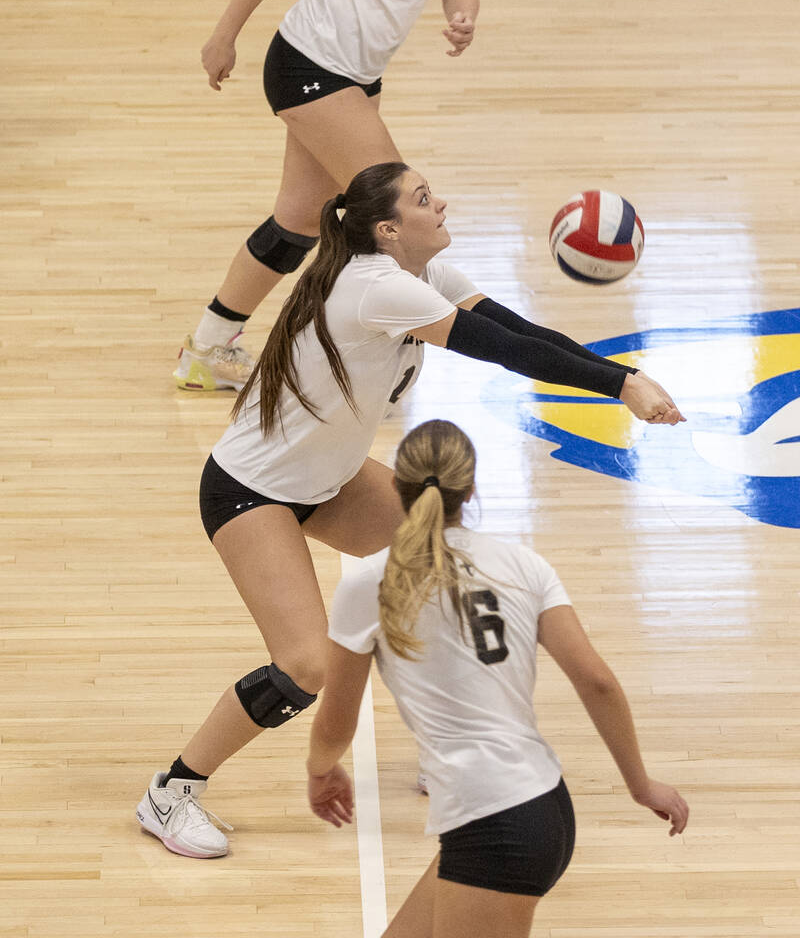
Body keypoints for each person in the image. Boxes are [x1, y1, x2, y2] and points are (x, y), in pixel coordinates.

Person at [138, 162, 684, 858]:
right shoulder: (377, 287)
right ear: (389, 229)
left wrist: (625, 378)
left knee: (444, 574)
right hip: (253, 489)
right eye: (425, 199)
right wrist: (621, 385)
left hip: (328, 479)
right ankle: (172, 791)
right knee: (306, 666)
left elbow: (527, 333)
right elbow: (507, 354)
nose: (443, 201)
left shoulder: (422, 278)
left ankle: (447, 748)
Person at [306, 417, 690, 938]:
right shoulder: (523, 564)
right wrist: (640, 785)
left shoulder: (374, 581)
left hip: (495, 825)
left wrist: (321, 770)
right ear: (472, 487)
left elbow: (336, 721)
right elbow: (596, 680)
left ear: (395, 486)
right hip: (538, 805)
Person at [175, 0, 486, 392]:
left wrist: (462, 15)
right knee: (402, 218)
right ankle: (381, 363)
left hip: (358, 78)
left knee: (296, 222)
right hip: (308, 66)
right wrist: (223, 36)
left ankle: (208, 347)